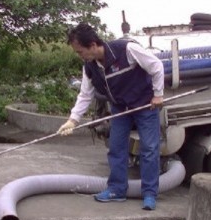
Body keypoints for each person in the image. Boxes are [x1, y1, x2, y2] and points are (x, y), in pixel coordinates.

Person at [58, 23, 164, 210]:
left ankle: (149, 193)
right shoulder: (89, 67)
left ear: (92, 45)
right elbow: (85, 95)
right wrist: (72, 120)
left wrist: (158, 94)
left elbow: (156, 65)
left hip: (144, 104)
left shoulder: (126, 49)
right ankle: (116, 189)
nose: (80, 56)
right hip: (120, 108)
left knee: (149, 149)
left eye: (80, 51)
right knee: (116, 148)